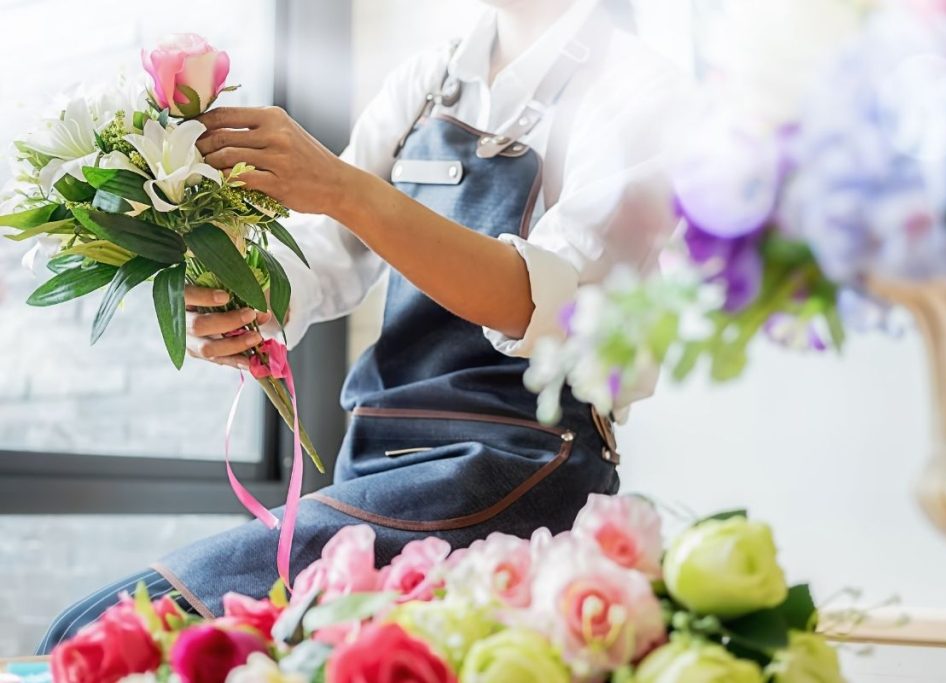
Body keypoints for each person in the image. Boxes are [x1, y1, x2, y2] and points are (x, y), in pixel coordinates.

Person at [39, 0, 683, 651]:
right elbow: (328, 251)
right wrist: (247, 298)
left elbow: (538, 301)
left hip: (520, 469)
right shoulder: (428, 79)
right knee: (95, 630)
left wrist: (341, 186)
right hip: (377, 458)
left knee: (100, 636)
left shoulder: (640, 88)